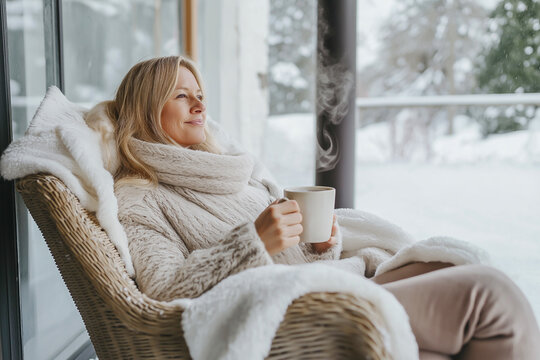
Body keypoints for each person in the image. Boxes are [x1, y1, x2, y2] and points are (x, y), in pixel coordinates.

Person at [91, 56, 540, 359]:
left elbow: (292, 253)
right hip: (294, 314)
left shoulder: (230, 171)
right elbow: (162, 295)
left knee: (449, 267)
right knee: (488, 294)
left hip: (326, 279)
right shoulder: (140, 195)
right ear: (148, 110)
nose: (200, 103)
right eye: (180, 94)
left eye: (199, 92)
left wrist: (322, 243)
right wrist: (252, 242)